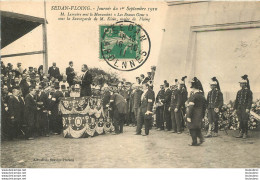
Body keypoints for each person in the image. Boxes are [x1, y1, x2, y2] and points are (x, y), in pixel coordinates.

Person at [186, 77, 206, 146]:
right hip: (199, 114)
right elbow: (204, 107)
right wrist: (202, 115)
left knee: (192, 128)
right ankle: (201, 138)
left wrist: (188, 116)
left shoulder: (193, 96)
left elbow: (191, 107)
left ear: (193, 88)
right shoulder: (202, 96)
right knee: (197, 127)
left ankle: (194, 142)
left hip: (193, 114)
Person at [234, 75, 253, 139]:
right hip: (239, 108)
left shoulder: (249, 91)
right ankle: (241, 132)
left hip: (245, 108)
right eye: (240, 83)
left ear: (245, 84)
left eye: (242, 83)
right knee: (240, 120)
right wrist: (235, 108)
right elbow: (236, 101)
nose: (240, 84)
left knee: (245, 121)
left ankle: (245, 133)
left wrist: (248, 108)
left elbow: (250, 101)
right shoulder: (239, 92)